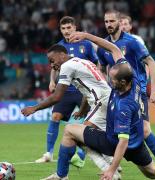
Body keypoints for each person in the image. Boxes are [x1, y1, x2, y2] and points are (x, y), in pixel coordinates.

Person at [37, 62, 155, 180]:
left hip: (114, 143)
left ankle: (62, 176)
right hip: (137, 144)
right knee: (152, 172)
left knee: (69, 130)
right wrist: (88, 36)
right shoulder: (133, 81)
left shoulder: (123, 106)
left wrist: (111, 171)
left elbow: (123, 142)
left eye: (112, 79)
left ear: (123, 82)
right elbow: (115, 50)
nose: (109, 81)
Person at [22, 35, 124, 179]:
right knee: (76, 136)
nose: (51, 65)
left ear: (62, 55)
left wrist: (34, 108)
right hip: (107, 101)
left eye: (52, 60)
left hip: (102, 102)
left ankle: (109, 170)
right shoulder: (82, 62)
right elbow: (87, 88)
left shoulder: (67, 66)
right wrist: (83, 109)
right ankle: (64, 174)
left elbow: (57, 96)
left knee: (79, 136)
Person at [96, 10, 155, 166]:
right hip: (116, 94)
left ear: (119, 23)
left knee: (145, 130)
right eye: (106, 21)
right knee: (102, 126)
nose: (109, 24)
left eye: (112, 21)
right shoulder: (103, 46)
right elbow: (101, 68)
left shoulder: (132, 42)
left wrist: (153, 90)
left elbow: (152, 63)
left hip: (136, 91)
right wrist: (104, 85)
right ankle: (101, 161)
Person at [35, 16, 99, 166]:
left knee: (90, 122)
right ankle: (48, 153)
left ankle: (87, 155)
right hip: (66, 89)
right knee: (55, 116)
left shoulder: (86, 45)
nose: (66, 31)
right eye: (63, 28)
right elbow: (53, 65)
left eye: (69, 28)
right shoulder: (58, 46)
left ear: (75, 28)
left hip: (84, 89)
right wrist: (52, 81)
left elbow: (96, 64)